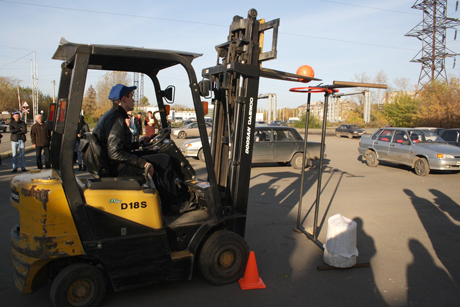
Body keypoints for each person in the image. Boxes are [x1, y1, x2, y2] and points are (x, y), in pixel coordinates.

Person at [92, 84, 188, 214]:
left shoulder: (112, 115)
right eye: (131, 97)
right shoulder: (117, 119)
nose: (133, 100)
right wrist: (143, 163)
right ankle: (170, 206)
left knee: (155, 153)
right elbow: (115, 153)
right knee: (164, 160)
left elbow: (118, 146)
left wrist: (138, 144)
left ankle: (166, 197)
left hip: (115, 163)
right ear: (124, 99)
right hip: (118, 166)